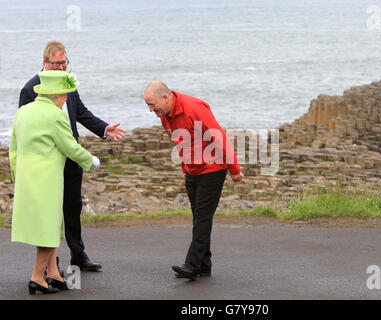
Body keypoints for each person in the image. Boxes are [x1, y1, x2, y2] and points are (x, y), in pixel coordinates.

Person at [19, 41, 126, 271]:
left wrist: (104, 129)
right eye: (56, 63)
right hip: (46, 160)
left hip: (71, 156)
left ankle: (79, 256)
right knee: (49, 212)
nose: (60, 68)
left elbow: (81, 113)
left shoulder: (68, 83)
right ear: (44, 62)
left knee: (73, 207)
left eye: (63, 63)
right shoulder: (31, 90)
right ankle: (50, 263)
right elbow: (25, 126)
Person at [10, 70, 101, 294]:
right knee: (48, 229)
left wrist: (17, 175)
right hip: (47, 180)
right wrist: (91, 160)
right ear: (55, 95)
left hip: (27, 178)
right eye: (65, 94)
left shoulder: (23, 111)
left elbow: (13, 149)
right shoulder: (55, 115)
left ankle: (53, 273)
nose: (67, 99)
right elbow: (69, 146)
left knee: (53, 225)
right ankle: (36, 278)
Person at [144, 81, 244, 280]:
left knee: (202, 217)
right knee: (198, 217)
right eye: (148, 105)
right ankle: (204, 264)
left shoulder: (194, 108)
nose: (150, 110)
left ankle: (192, 264)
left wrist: (234, 170)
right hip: (193, 169)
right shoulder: (165, 116)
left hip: (213, 167)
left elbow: (219, 137)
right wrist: (185, 169)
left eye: (153, 104)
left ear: (166, 97)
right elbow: (181, 144)